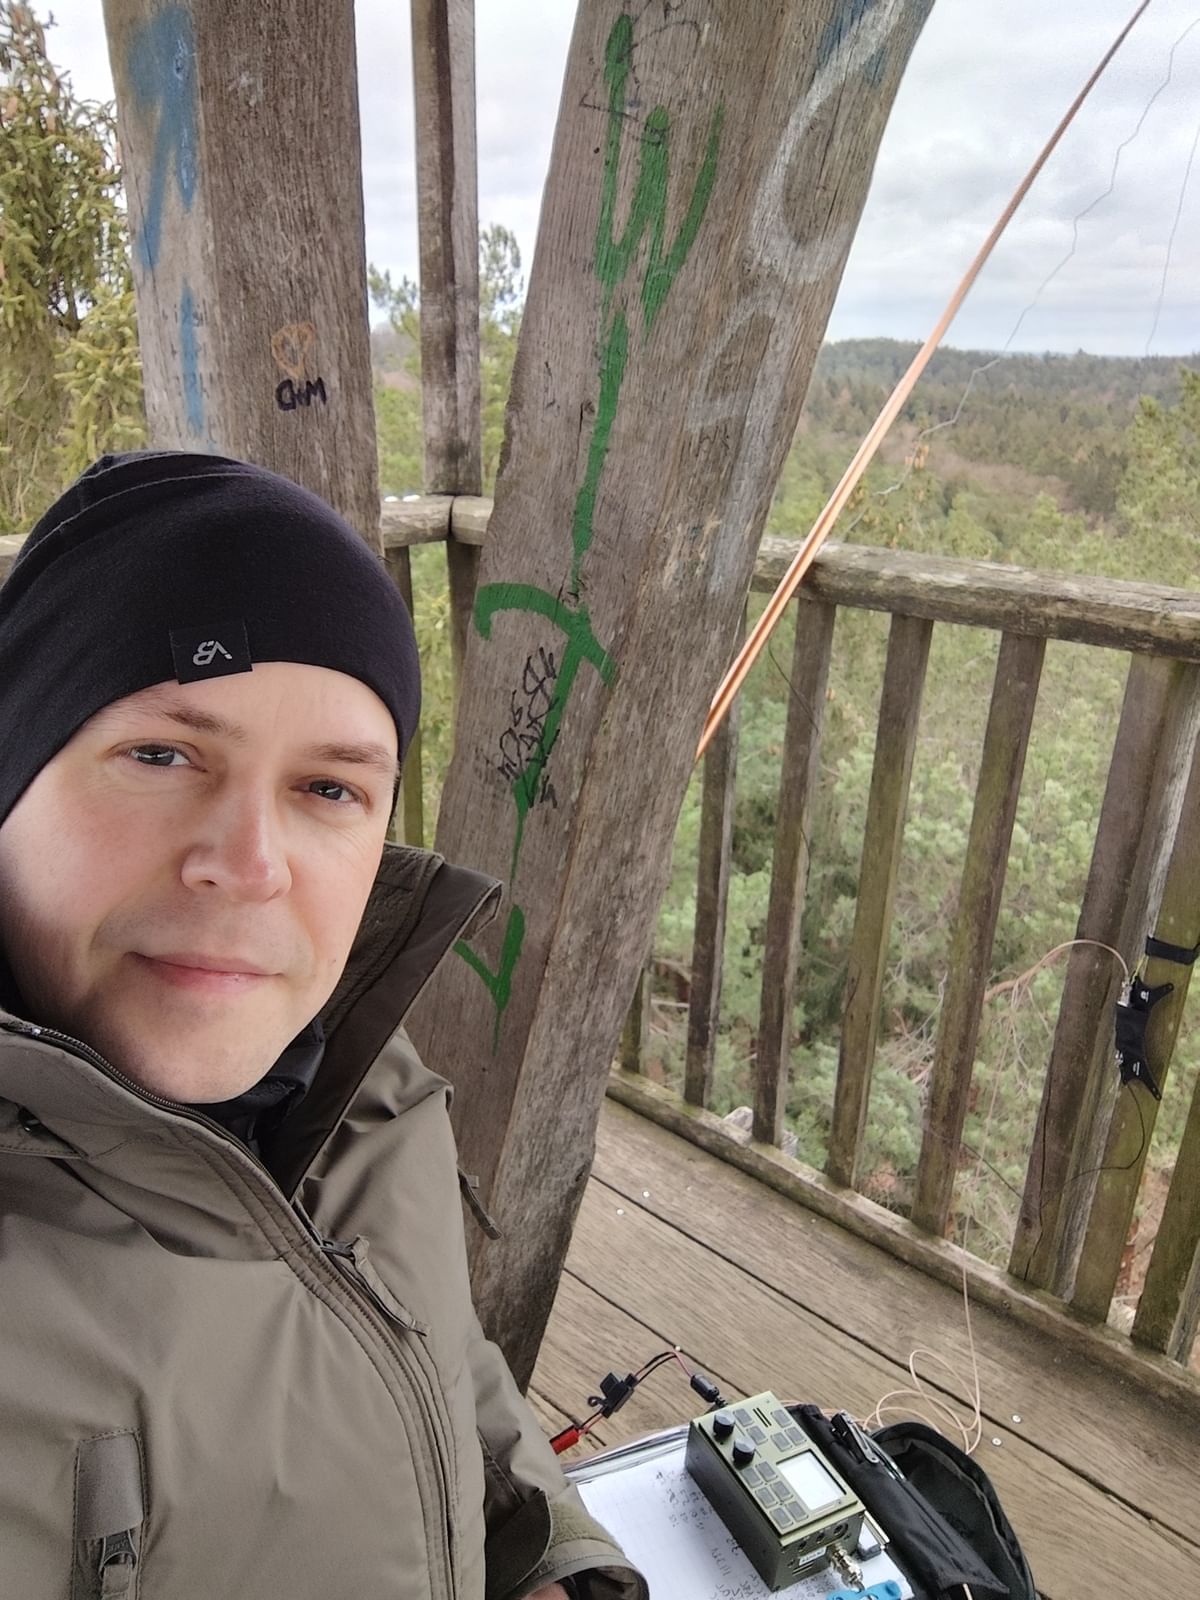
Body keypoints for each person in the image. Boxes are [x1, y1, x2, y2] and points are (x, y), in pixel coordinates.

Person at [0, 450, 645, 1600]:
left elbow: (430, 1355)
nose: (250, 866)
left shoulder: (367, 1079)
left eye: (329, 787)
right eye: (161, 754)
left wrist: (544, 1549)